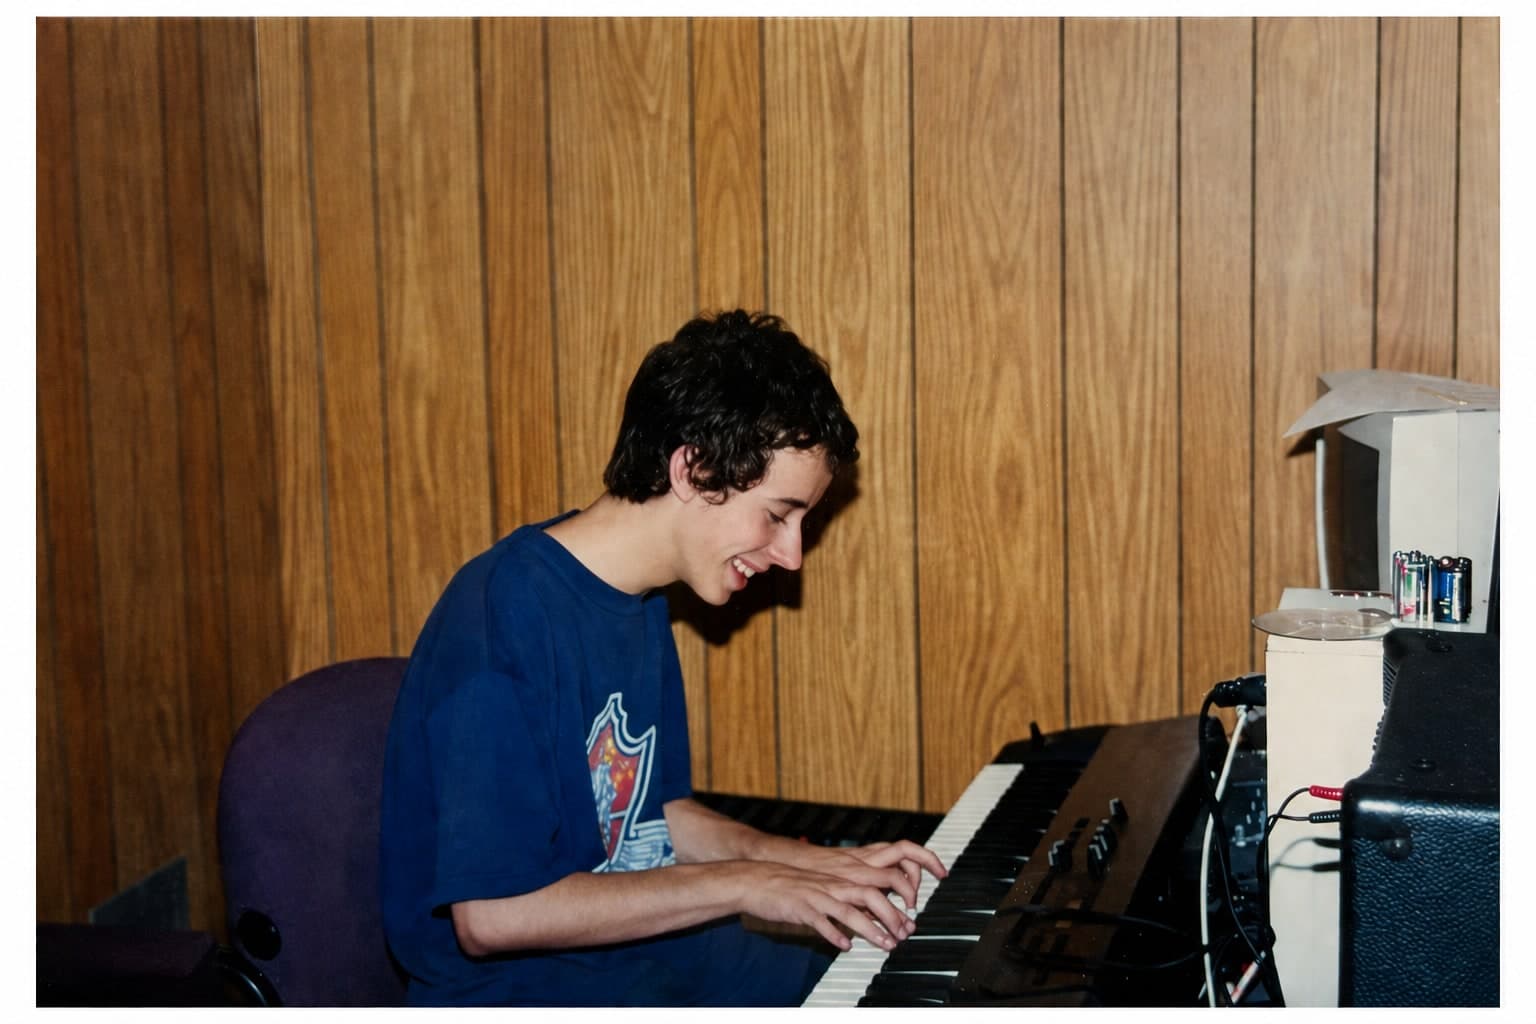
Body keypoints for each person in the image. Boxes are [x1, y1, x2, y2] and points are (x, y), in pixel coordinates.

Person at [378, 309, 947, 1007]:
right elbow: (492, 916)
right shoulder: (504, 614)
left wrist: (807, 864)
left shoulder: (638, 598)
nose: (792, 555)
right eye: (778, 515)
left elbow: (648, 820)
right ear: (692, 468)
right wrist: (746, 884)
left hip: (654, 964)